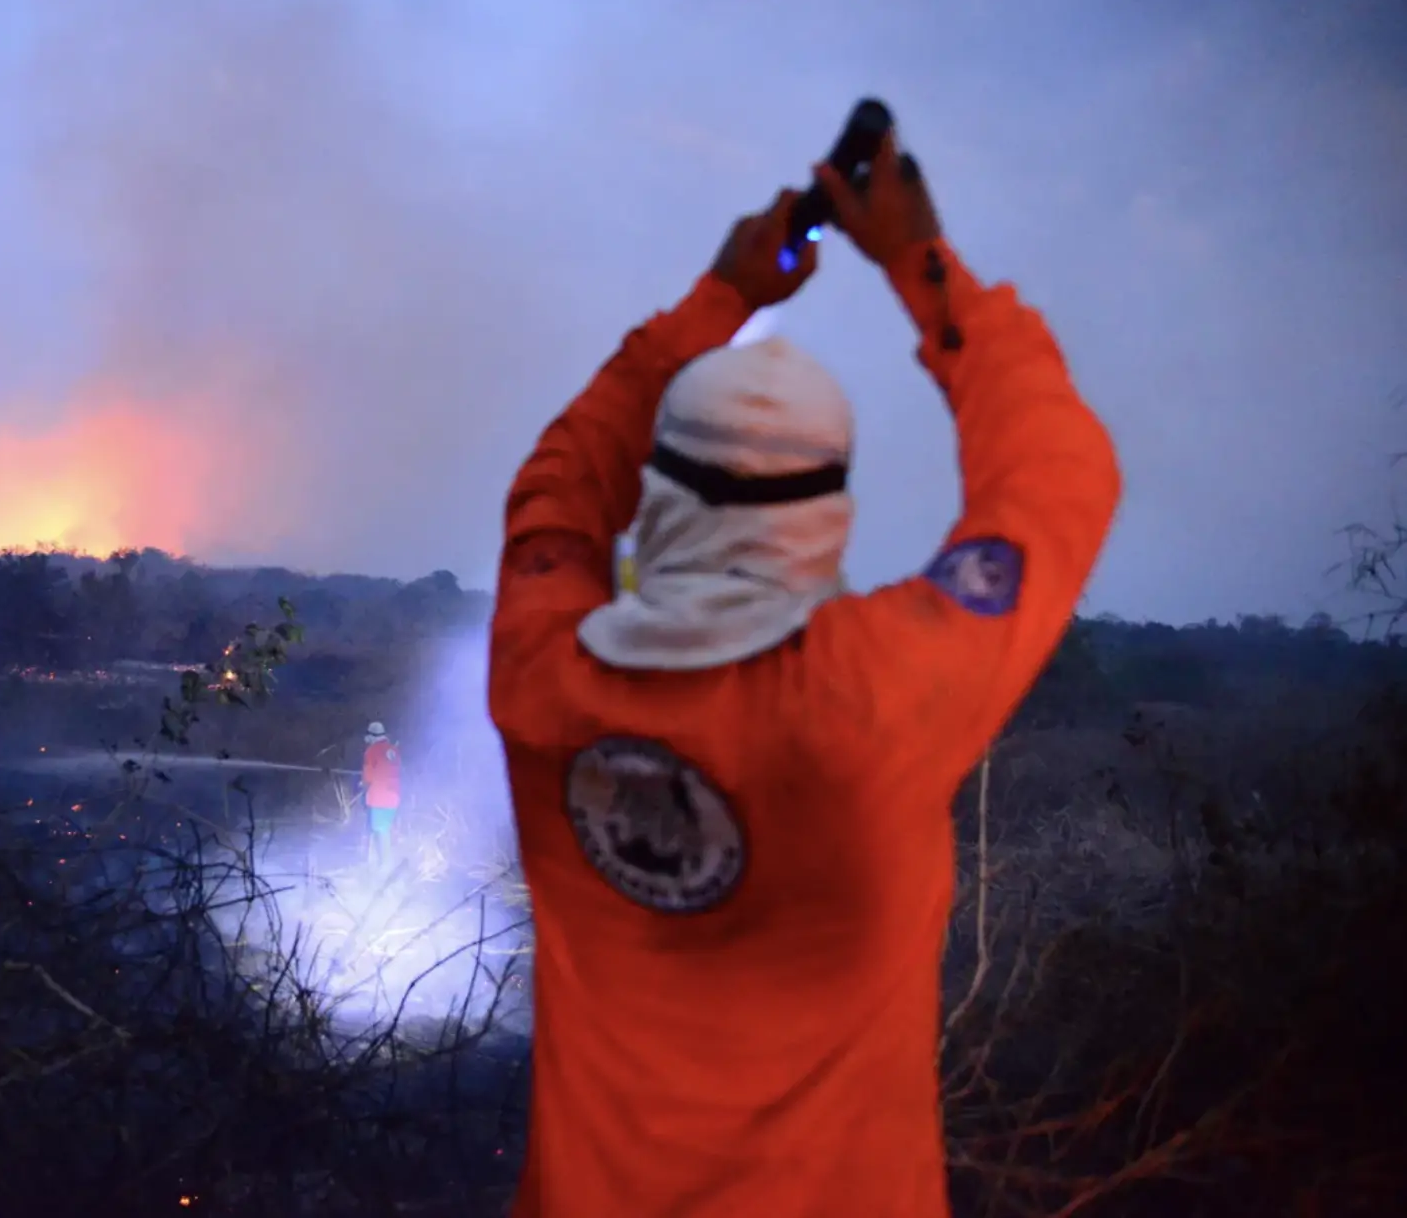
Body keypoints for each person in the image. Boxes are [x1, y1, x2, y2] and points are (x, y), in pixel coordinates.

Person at [485, 136, 1122, 1216]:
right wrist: (921, 262)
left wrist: (724, 293)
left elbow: (559, 480)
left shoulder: (547, 674)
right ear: (827, 515)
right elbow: (1056, 469)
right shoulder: (879, 691)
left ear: (656, 500)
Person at [359, 720, 402, 873]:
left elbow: (368, 777)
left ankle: (383, 866)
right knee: (387, 829)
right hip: (394, 797)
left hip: (378, 797)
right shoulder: (394, 751)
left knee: (379, 830)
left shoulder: (371, 752)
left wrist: (363, 787)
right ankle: (383, 862)